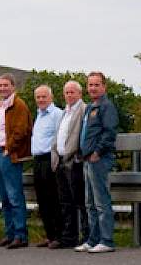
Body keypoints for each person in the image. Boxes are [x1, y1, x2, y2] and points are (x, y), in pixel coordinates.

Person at [76, 71, 119, 253]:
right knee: (90, 203)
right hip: (87, 160)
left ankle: (107, 240)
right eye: (90, 85)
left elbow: (109, 133)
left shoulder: (106, 107)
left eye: (96, 84)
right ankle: (93, 240)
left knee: (101, 202)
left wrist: (97, 152)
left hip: (99, 159)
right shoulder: (89, 107)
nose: (93, 88)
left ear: (104, 86)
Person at [0, 73, 32, 249]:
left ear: (13, 86)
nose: (2, 88)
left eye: (5, 85)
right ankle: (10, 233)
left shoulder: (18, 105)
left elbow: (21, 130)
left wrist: (9, 148)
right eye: (0, 85)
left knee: (14, 196)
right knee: (5, 197)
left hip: (9, 155)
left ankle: (20, 235)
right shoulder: (1, 105)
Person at [50, 80, 88, 249]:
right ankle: (69, 236)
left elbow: (83, 135)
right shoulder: (65, 112)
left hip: (74, 162)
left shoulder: (84, 109)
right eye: (66, 92)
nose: (69, 95)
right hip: (60, 161)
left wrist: (76, 156)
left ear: (80, 94)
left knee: (81, 202)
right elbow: (58, 135)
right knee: (65, 202)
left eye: (72, 92)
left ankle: (87, 236)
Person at [31, 85, 64, 247]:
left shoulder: (57, 114)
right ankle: (50, 235)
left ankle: (59, 235)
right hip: (37, 159)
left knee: (54, 198)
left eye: (44, 96)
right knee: (42, 199)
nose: (41, 100)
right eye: (38, 97)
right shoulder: (39, 114)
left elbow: (61, 137)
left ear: (51, 97)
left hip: (50, 159)